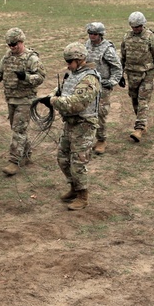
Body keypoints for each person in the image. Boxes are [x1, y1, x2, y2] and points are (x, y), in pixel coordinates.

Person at [47, 42, 102, 211]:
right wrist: (53, 94)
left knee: (78, 162)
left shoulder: (89, 79)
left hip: (84, 125)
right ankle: (74, 187)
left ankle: (82, 196)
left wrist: (54, 101)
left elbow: (76, 104)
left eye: (70, 61)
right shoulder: (72, 74)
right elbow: (62, 90)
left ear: (80, 60)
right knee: (63, 158)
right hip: (70, 124)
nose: (67, 65)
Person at [0, 27, 45, 175]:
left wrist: (25, 77)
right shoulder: (7, 57)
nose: (12, 47)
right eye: (10, 45)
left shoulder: (31, 58)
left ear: (21, 41)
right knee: (17, 128)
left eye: (14, 44)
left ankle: (14, 161)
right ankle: (26, 155)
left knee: (19, 130)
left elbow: (40, 78)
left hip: (25, 100)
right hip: (11, 98)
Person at [120, 11, 154, 142]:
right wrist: (120, 75)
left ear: (143, 24)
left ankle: (138, 128)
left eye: (138, 26)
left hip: (147, 74)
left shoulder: (150, 37)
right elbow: (122, 57)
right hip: (131, 73)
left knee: (143, 100)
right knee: (135, 100)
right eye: (133, 26)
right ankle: (142, 123)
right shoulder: (126, 37)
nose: (136, 29)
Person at [83, 22, 122, 155]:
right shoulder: (86, 45)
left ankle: (101, 140)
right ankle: (87, 139)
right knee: (85, 112)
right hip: (88, 84)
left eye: (94, 34)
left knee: (100, 113)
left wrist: (112, 82)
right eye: (90, 34)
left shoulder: (107, 49)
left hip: (103, 86)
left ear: (100, 34)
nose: (91, 36)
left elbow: (117, 67)